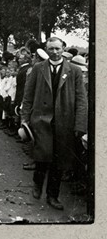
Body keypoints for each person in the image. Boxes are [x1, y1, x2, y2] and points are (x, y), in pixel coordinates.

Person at [21, 37, 88, 210]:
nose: (55, 52)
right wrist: (24, 119)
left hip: (64, 122)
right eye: (51, 49)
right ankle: (37, 183)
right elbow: (27, 96)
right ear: (46, 49)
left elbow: (81, 100)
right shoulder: (38, 69)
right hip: (42, 121)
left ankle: (52, 195)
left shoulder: (74, 71)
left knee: (59, 162)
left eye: (58, 48)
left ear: (63, 48)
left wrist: (80, 125)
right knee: (42, 157)